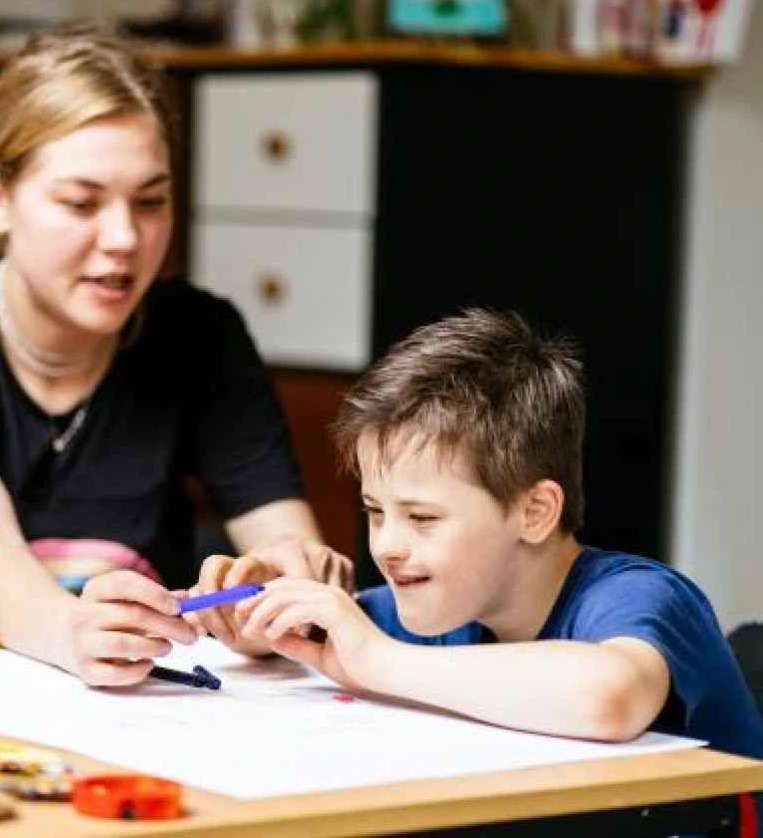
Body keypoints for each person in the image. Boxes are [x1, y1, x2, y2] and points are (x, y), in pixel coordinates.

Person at [0, 26, 351, 687]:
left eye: (151, 201)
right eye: (81, 203)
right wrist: (71, 632)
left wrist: (285, 591)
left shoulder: (202, 336)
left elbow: (283, 541)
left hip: (141, 703)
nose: (124, 239)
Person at [221, 309, 763, 768]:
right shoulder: (445, 607)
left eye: (423, 518)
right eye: (374, 511)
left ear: (535, 512)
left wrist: (376, 659)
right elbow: (337, 641)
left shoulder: (639, 597)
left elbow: (608, 697)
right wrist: (260, 625)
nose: (386, 545)